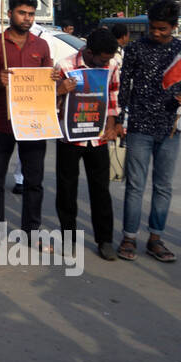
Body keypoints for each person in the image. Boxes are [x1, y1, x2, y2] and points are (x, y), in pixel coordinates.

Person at [0, 0, 72, 249]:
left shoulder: (41, 46)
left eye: (31, 14)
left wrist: (54, 80)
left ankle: (31, 232)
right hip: (1, 122)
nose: (27, 18)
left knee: (34, 182)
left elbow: (48, 82)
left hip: (34, 122)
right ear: (10, 14)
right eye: (22, 13)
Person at [115, 0, 181, 262]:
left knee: (163, 186)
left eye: (162, 29)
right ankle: (129, 237)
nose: (156, 33)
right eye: (153, 28)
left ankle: (156, 238)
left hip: (170, 128)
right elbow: (124, 85)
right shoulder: (136, 48)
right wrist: (119, 119)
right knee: (135, 185)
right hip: (139, 126)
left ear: (173, 27)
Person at [53, 26, 121, 261]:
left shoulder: (112, 65)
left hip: (98, 137)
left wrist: (112, 125)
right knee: (66, 189)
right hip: (69, 138)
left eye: (109, 59)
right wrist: (59, 90)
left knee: (101, 190)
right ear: (89, 52)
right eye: (103, 59)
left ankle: (105, 240)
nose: (106, 63)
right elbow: (49, 102)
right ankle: (67, 237)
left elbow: (112, 97)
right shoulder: (65, 65)